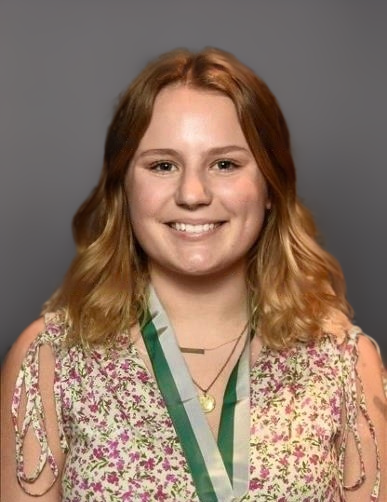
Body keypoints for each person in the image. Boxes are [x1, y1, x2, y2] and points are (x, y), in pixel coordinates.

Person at [1, 47, 386, 502]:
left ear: (270, 186)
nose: (192, 194)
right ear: (124, 187)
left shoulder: (343, 364)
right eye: (163, 165)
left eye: (225, 164)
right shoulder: (50, 360)